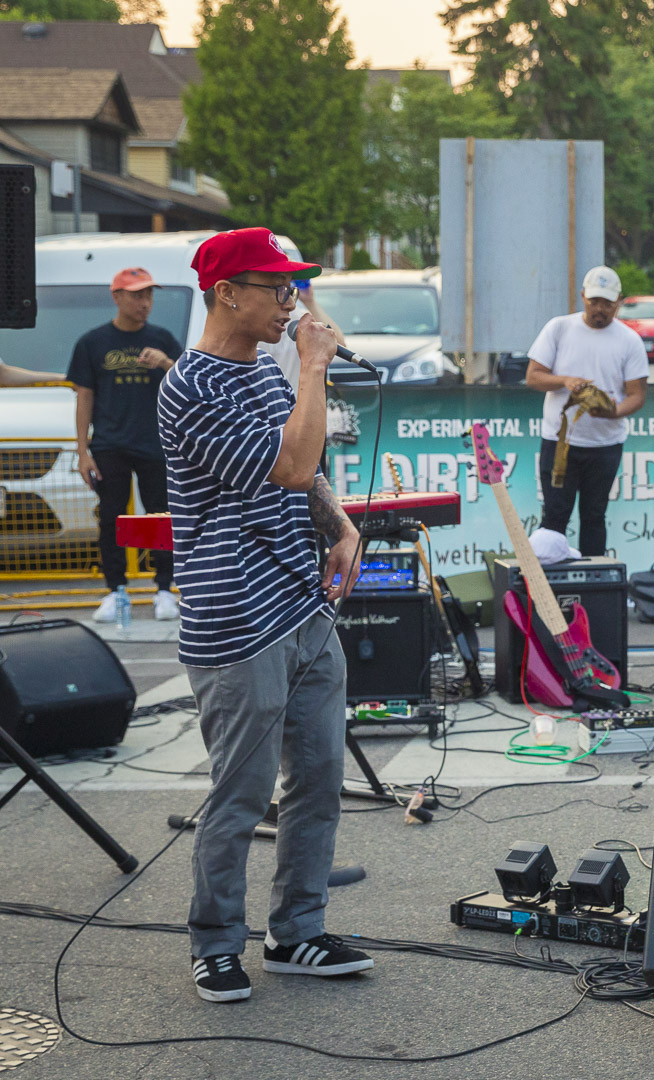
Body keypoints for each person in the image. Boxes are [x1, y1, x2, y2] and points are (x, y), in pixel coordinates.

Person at [158, 227, 372, 1003]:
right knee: (242, 793)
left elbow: (305, 470)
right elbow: (285, 462)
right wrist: (314, 365)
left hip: (299, 607)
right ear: (227, 294)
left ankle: (298, 932)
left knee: (318, 778)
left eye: (294, 289)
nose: (292, 303)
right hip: (235, 618)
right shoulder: (192, 384)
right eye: (277, 288)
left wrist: (340, 524)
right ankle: (215, 941)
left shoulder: (263, 373)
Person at [67, 268, 183, 622]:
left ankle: (165, 589)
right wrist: (82, 451)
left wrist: (164, 362)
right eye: (136, 295)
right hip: (109, 444)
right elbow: (84, 397)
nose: (144, 303)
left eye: (148, 295)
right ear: (116, 297)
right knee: (111, 519)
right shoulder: (93, 342)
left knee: (162, 517)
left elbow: (187, 381)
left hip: (157, 442)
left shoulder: (163, 337)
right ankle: (116, 591)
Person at [525, 265, 649, 556]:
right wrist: (565, 381)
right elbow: (533, 376)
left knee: (594, 517)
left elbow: (637, 395)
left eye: (607, 303)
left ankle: (594, 588)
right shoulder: (559, 328)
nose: (600, 309)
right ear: (583, 297)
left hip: (605, 444)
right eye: (594, 301)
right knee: (554, 518)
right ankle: (549, 591)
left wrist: (614, 411)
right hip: (560, 443)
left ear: (619, 300)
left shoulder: (629, 340)